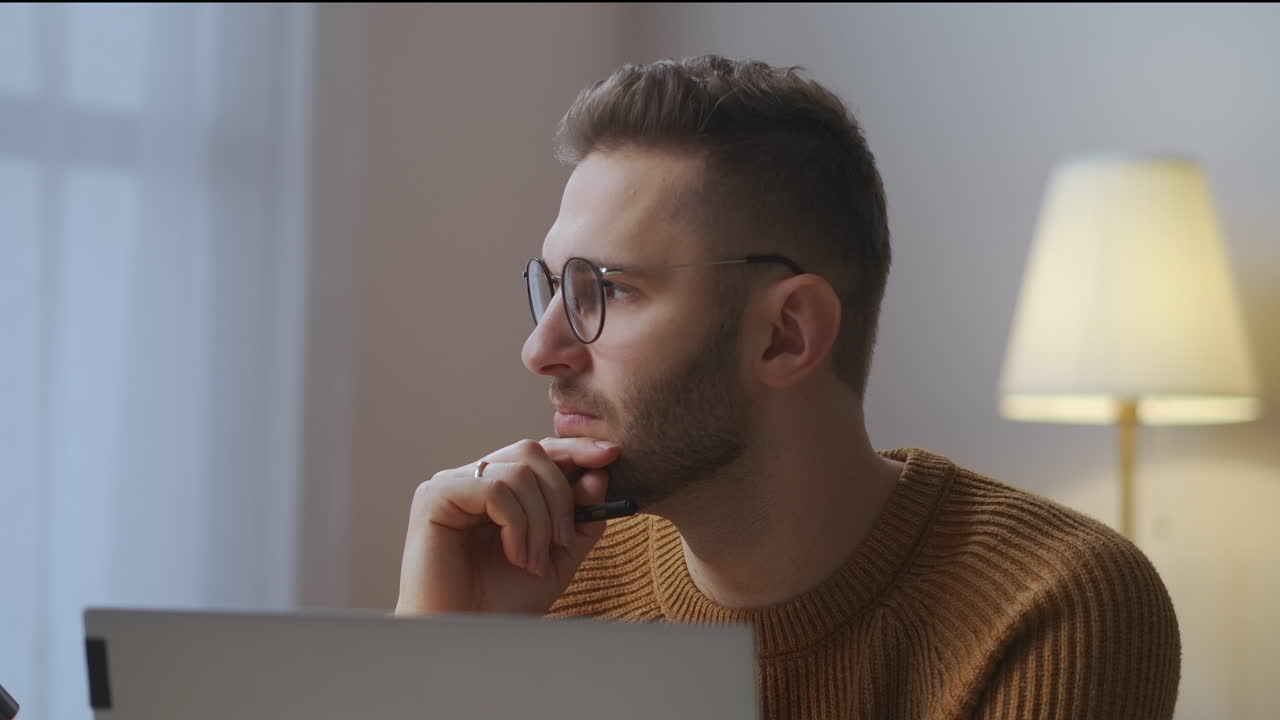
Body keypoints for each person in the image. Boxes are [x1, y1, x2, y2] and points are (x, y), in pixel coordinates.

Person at [395, 55, 1181, 719]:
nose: (541, 348)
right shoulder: (539, 584)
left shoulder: (1047, 606)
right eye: (555, 287)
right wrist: (443, 656)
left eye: (610, 290)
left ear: (786, 335)